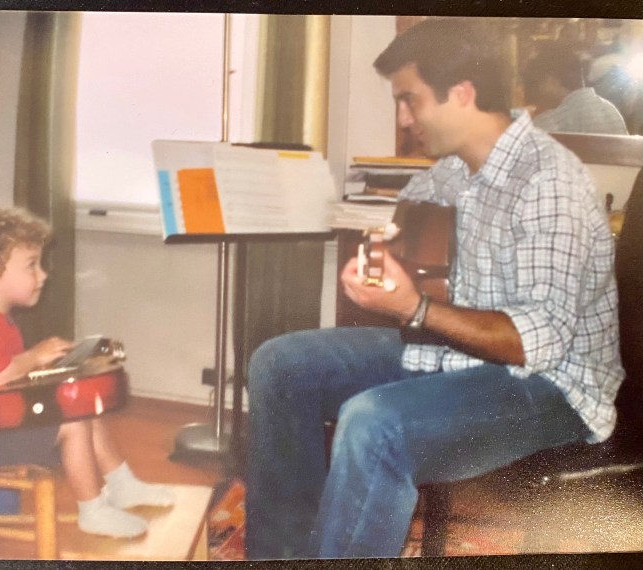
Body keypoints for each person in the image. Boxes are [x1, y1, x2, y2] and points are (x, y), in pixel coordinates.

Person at [245, 19, 624, 559]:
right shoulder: (455, 169)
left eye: (410, 100)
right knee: (280, 365)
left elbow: (532, 342)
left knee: (375, 423)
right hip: (457, 355)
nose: (403, 118)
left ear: (462, 94)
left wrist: (414, 306)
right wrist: (381, 254)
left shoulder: (550, 181)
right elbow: (407, 227)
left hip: (551, 386)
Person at [0, 208, 175, 539]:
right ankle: (93, 510)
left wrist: (49, 368)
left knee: (83, 406)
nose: (43, 274)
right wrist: (35, 356)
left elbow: (4, 382)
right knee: (72, 423)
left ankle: (122, 485)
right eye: (31, 265)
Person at [523, 43, 629, 135]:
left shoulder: (550, 123)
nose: (538, 91)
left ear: (550, 81)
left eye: (538, 84)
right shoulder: (611, 111)